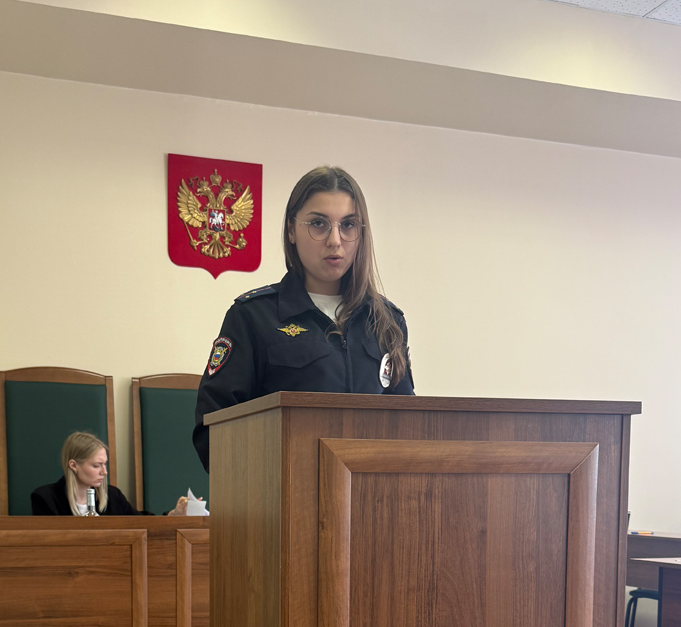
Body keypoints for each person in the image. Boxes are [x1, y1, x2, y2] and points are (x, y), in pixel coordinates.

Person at [192, 165, 415, 470]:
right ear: (291, 230)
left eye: (348, 225)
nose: (335, 240)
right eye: (318, 224)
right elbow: (212, 432)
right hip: (281, 492)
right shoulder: (253, 316)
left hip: (369, 493)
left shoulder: (387, 321)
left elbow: (407, 427)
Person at [31, 431, 190, 516]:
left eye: (104, 464)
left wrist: (173, 515)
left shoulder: (112, 496)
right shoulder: (45, 498)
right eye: (96, 466)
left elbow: (141, 523)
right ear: (73, 465)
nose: (104, 472)